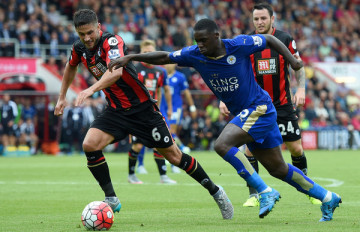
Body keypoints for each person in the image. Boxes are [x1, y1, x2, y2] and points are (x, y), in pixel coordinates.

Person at [108, 18, 341, 221]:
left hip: (259, 108)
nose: (200, 45)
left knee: (221, 145)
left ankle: (264, 191)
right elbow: (165, 57)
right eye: (197, 40)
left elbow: (268, 40)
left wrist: (291, 60)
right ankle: (327, 197)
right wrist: (132, 56)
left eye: (204, 40)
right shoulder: (195, 55)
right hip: (250, 114)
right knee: (279, 169)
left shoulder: (238, 45)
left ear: (216, 36)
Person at [54, 9, 234, 220]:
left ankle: (216, 191)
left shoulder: (111, 42)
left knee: (176, 157)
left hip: (143, 111)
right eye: (81, 34)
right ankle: (111, 197)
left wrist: (90, 90)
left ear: (99, 27)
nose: (86, 38)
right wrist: (62, 96)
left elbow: (116, 71)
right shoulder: (79, 48)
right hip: (116, 111)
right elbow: (70, 65)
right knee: (90, 145)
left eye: (90, 32)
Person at [220, 2, 321, 207]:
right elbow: (234, 73)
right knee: (250, 150)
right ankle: (255, 194)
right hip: (257, 106)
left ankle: (310, 189)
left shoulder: (284, 39)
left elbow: (298, 66)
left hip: (282, 105)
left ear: (272, 19)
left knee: (295, 149)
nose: (259, 22)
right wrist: (224, 98)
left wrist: (301, 88)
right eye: (256, 19)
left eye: (263, 18)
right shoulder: (247, 42)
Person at [127, 39, 176, 185]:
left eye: (151, 52)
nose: (148, 55)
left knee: (159, 144)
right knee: (137, 146)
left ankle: (163, 176)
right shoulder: (134, 69)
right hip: (136, 114)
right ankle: (131, 175)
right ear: (141, 53)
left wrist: (162, 109)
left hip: (152, 114)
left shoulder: (160, 72)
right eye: (145, 52)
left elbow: (161, 91)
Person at [160, 63, 197, 173]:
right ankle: (181, 148)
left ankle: (175, 161)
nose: (167, 65)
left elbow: (187, 93)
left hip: (176, 108)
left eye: (170, 63)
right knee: (167, 132)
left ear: (175, 64)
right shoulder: (161, 75)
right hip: (163, 108)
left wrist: (192, 107)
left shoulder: (180, 77)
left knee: (171, 131)